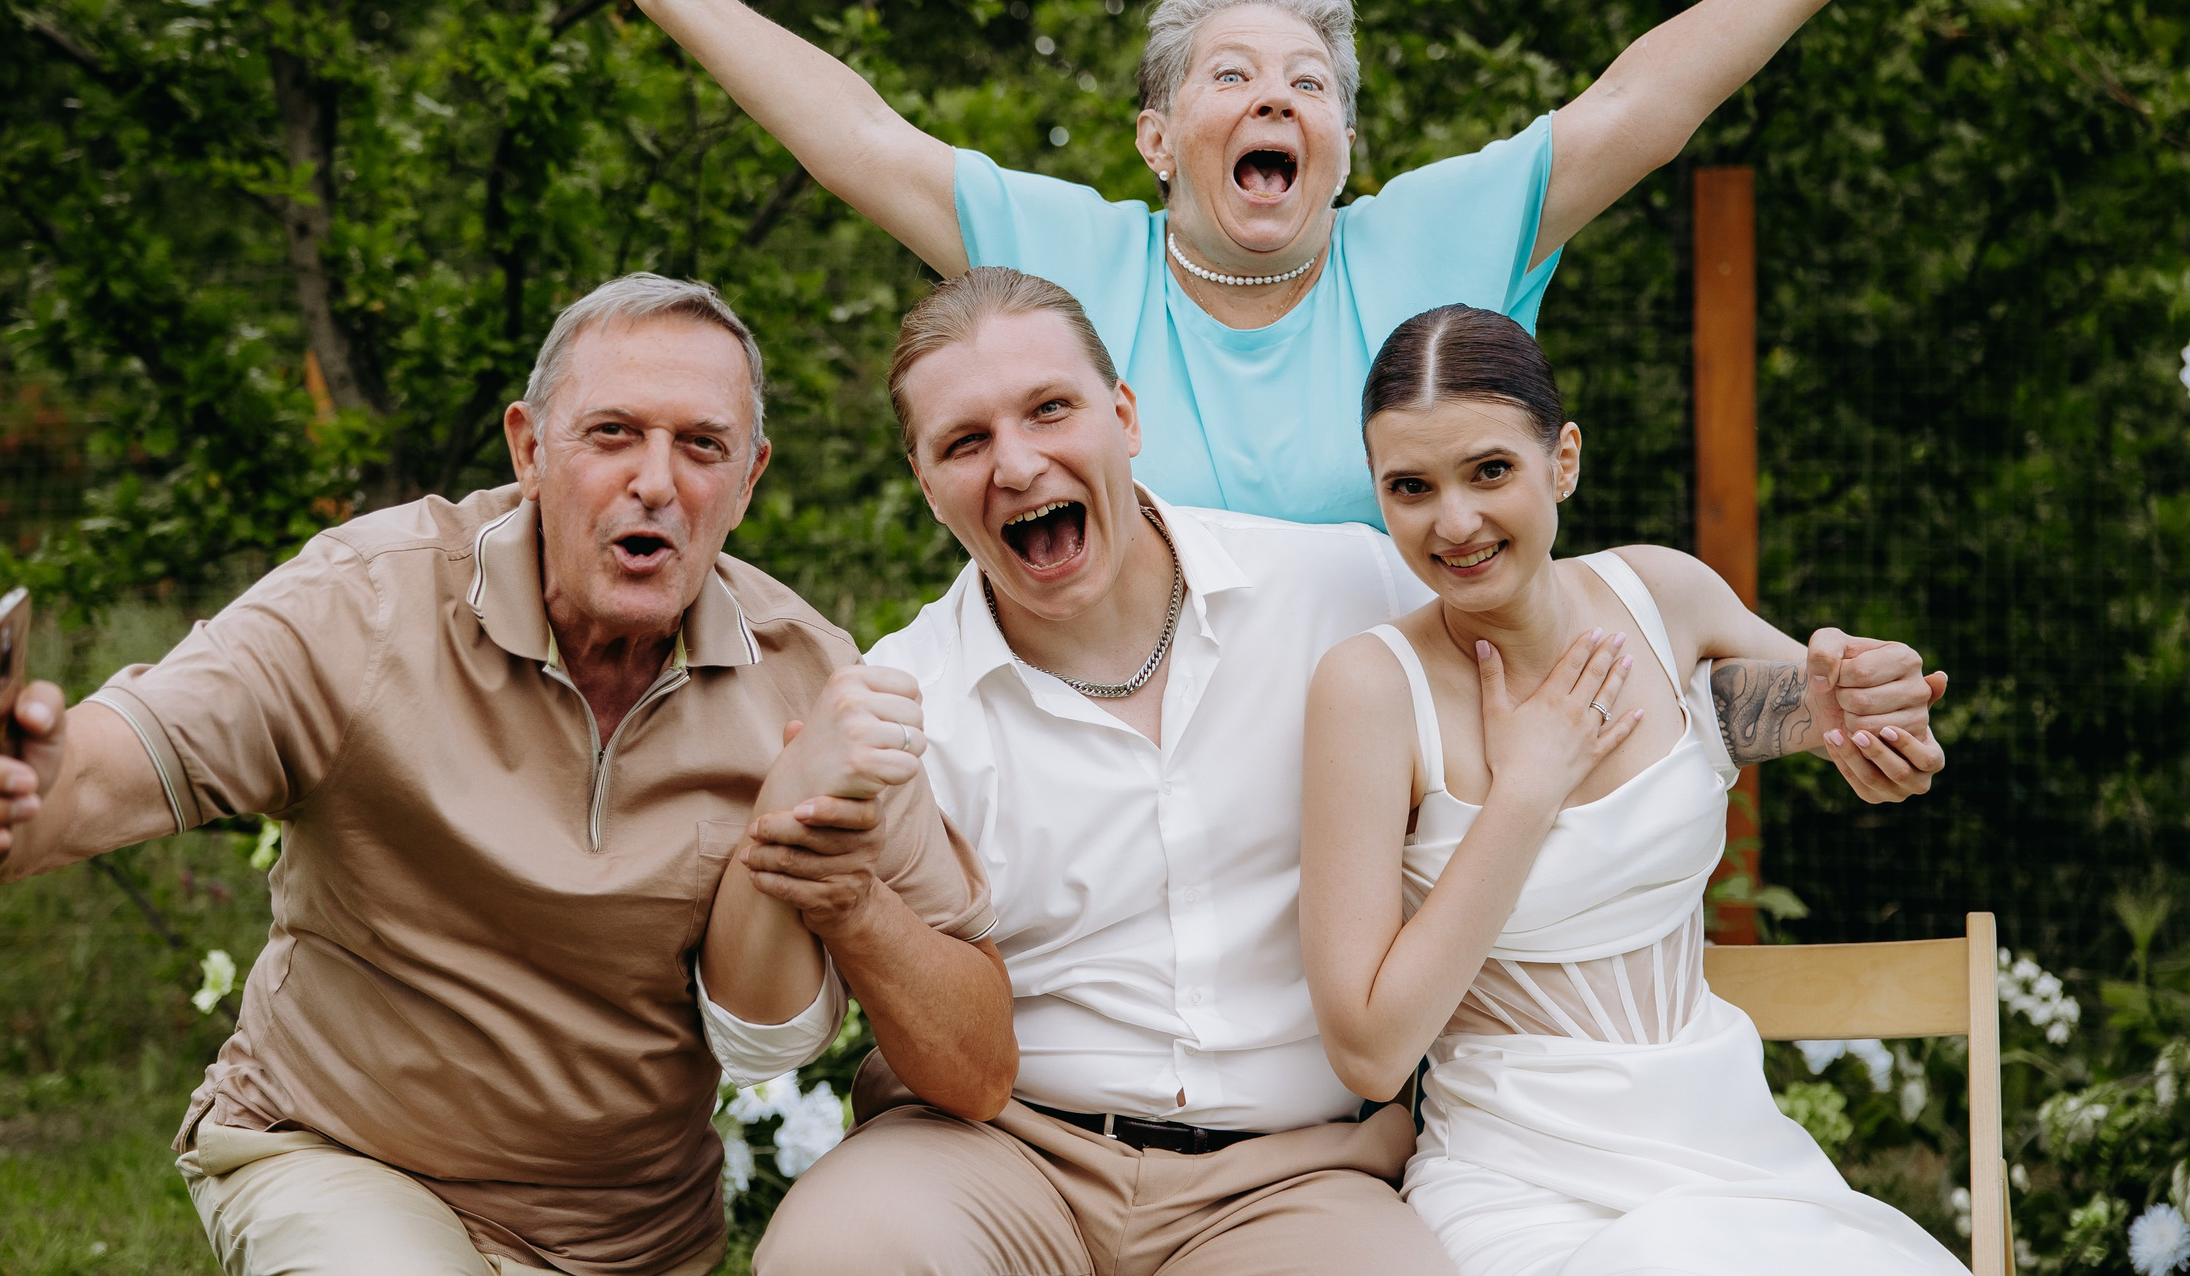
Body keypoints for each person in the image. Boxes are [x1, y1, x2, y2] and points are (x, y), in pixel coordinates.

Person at [746, 268, 1943, 1276]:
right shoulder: (904, 695)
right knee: (832, 1257)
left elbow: (1622, 695)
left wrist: (1830, 707)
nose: (1014, 464)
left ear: (1122, 413)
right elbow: (777, 1021)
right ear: (925, 480)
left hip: (1290, 1170)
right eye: (965, 440)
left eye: (1048, 409)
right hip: (1001, 1148)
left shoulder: (1342, 588)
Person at [0, 273, 1013, 1276]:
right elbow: (120, 759)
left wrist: (845, 890)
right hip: (343, 1159)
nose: (655, 483)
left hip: (632, 1240)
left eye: (701, 445)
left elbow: (974, 1055)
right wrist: (13, 786)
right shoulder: (369, 599)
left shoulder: (811, 680)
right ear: (528, 447)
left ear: (750, 474)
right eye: (610, 433)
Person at [550, 0, 2023, 525]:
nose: (1277, 98)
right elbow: (854, 138)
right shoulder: (1078, 259)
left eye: (1310, 82)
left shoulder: (1425, 244)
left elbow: (1644, 104)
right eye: (1234, 76)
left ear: (1343, 142)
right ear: (1158, 138)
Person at [1301, 304, 1958, 1276]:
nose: (1454, 521)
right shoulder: (1369, 689)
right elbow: (1367, 1051)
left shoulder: (1664, 600)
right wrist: (1525, 790)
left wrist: (1875, 712)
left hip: (1733, 1154)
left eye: (1490, 470)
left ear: (1561, 459)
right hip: (1518, 1185)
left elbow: (1824, 712)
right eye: (1410, 486)